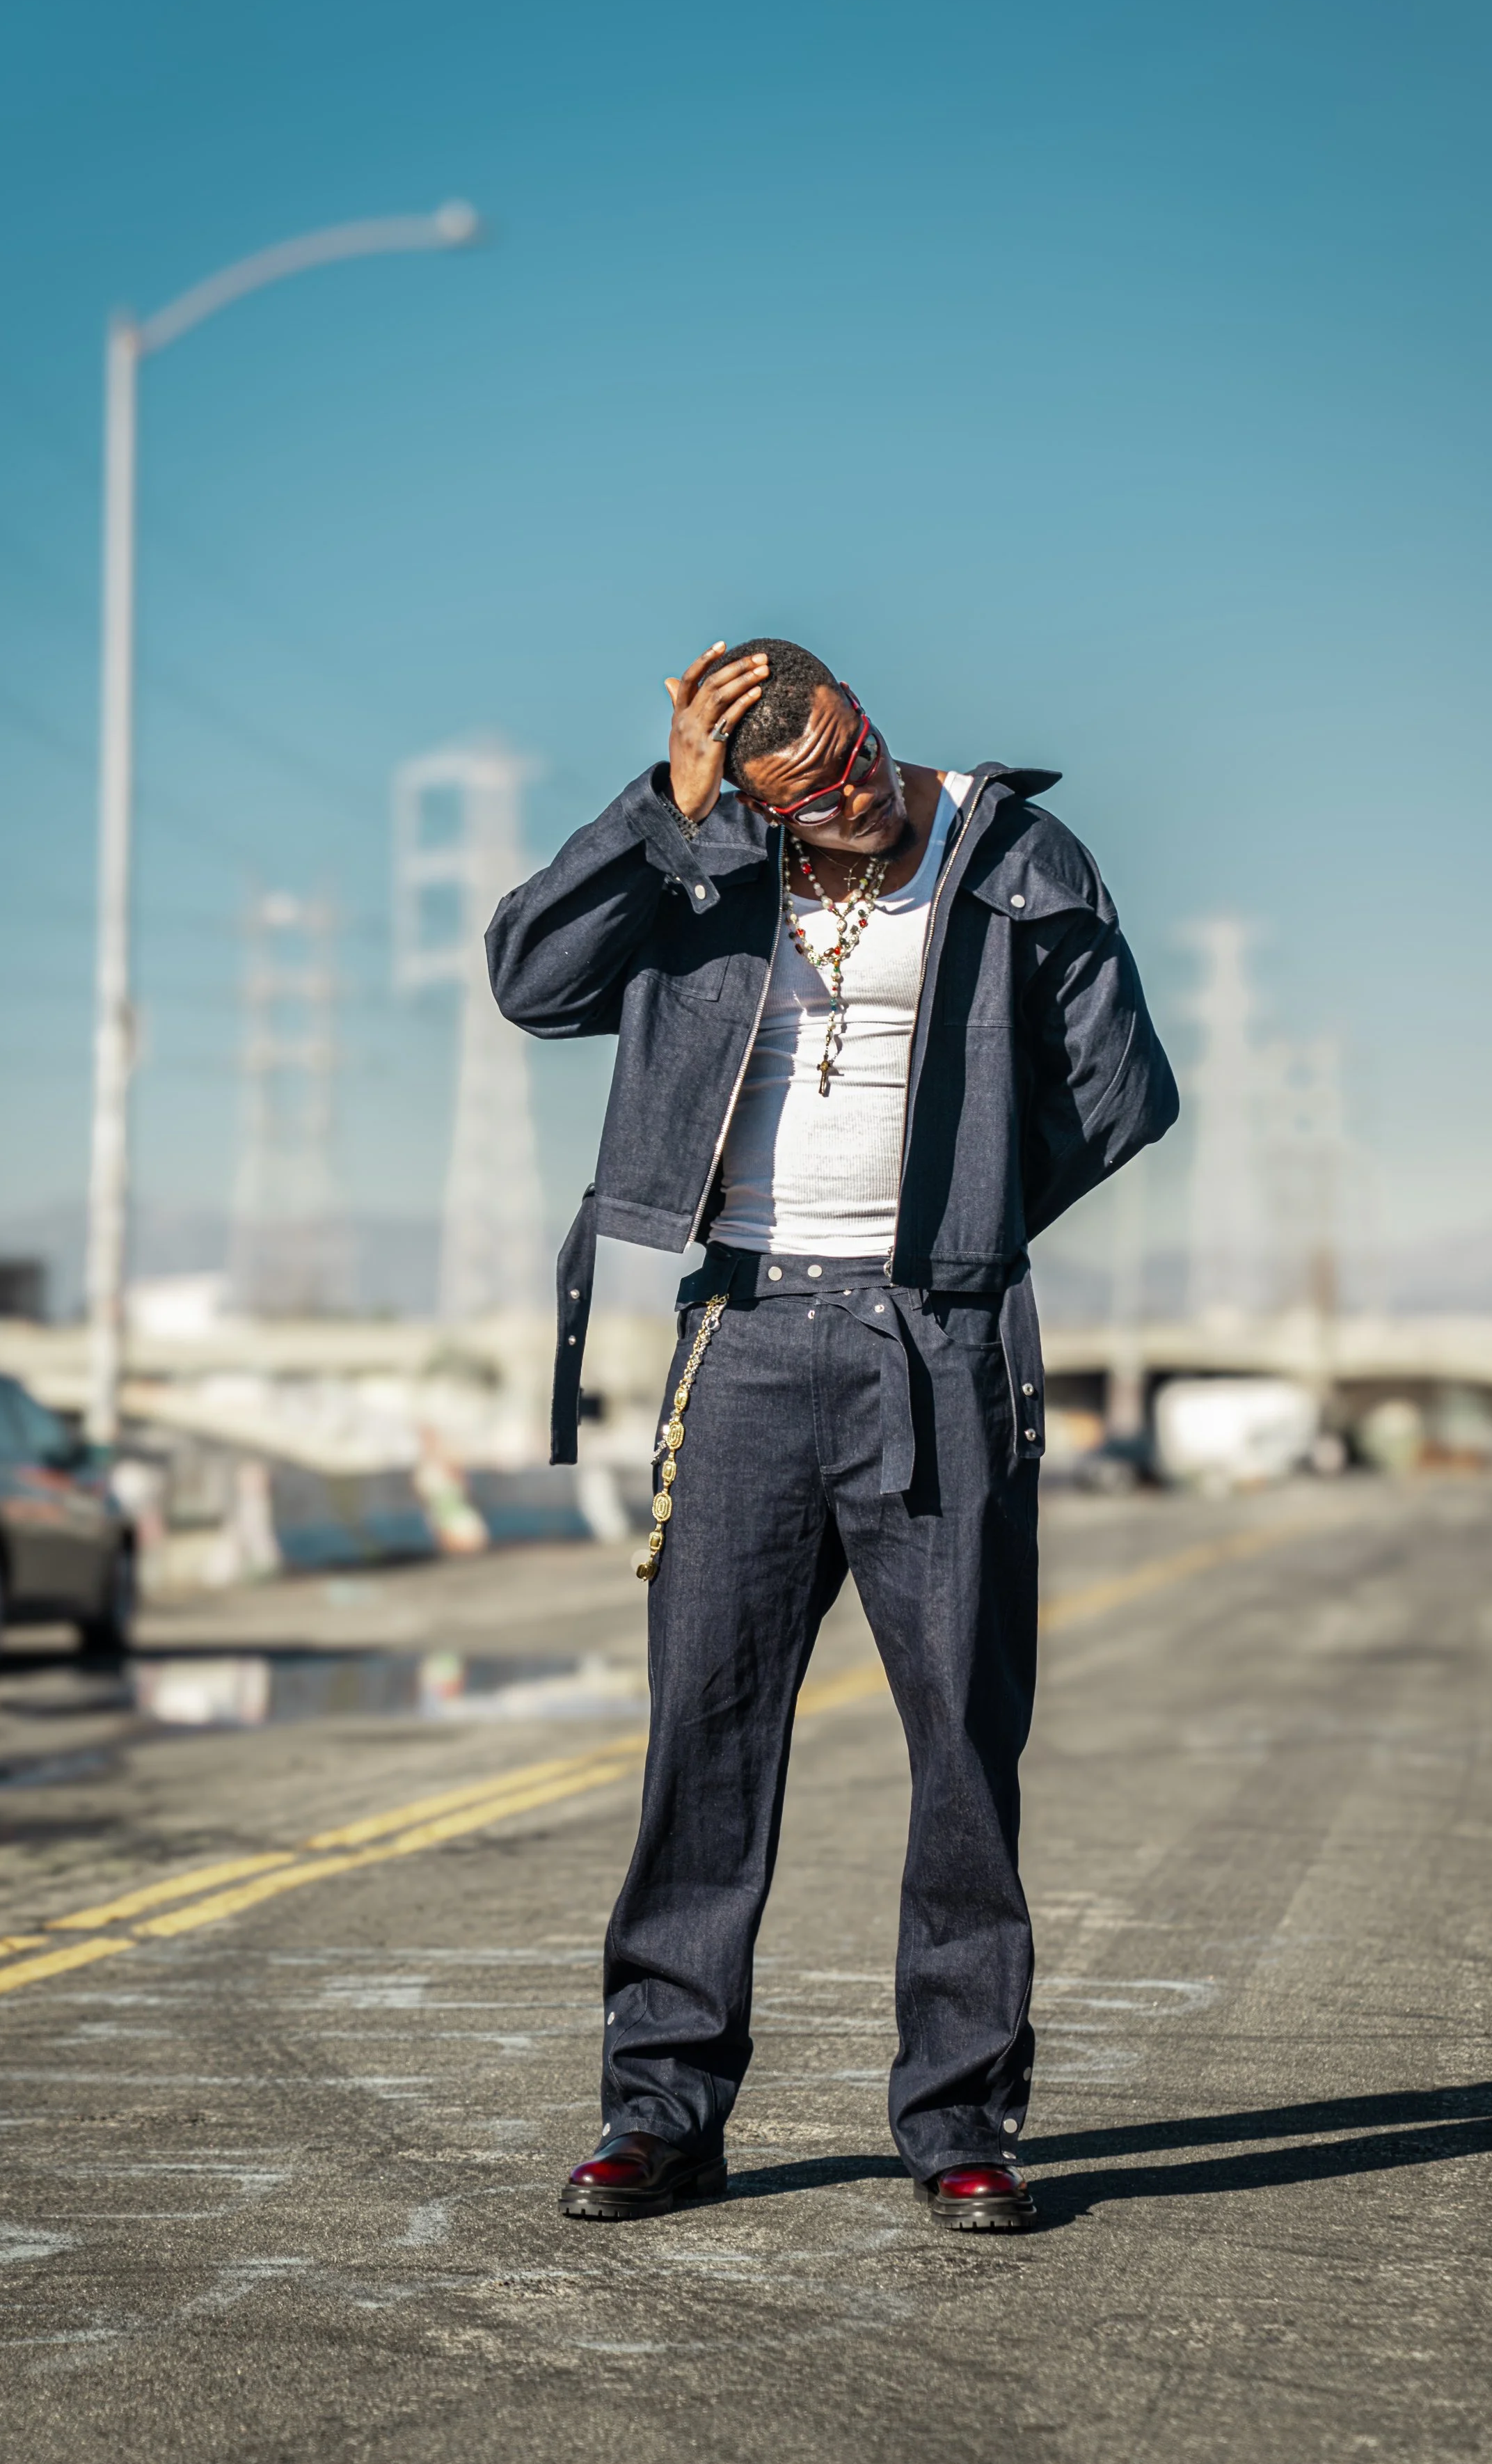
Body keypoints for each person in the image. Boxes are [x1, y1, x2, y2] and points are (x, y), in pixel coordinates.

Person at [486, 638, 1177, 2231]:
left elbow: (1119, 1092)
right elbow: (533, 982)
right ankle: (661, 2111)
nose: (853, 796)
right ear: (751, 795)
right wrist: (662, 817)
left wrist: (967, 1221)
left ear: (864, 716)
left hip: (936, 1337)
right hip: (740, 1340)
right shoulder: (703, 860)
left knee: (959, 1749)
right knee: (703, 1743)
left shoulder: (1011, 858)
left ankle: (956, 2120)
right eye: (809, 793)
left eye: (857, 756)